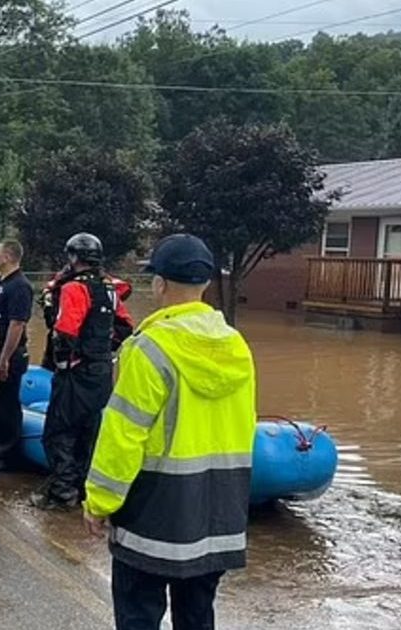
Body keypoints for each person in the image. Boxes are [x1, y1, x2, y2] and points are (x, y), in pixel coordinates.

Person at [83, 234, 256, 630]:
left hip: (154, 516)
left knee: (138, 615)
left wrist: (100, 501)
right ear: (206, 284)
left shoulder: (149, 349)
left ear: (158, 284)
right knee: (197, 618)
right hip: (217, 515)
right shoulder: (237, 347)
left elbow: (123, 435)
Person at [33, 233, 133, 511]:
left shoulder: (74, 288)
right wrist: (102, 349)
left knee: (58, 432)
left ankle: (63, 492)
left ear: (73, 257)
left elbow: (65, 332)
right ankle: (84, 489)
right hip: (102, 372)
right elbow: (125, 327)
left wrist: (66, 361)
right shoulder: (110, 288)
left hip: (76, 372)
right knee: (90, 430)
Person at [0, 240, 34, 469]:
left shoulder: (20, 286)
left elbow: (17, 325)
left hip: (10, 354)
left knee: (7, 404)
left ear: (6, 257)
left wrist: (3, 359)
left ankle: (9, 454)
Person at [39, 264, 133, 369]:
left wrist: (63, 361)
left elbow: (64, 330)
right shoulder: (107, 289)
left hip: (73, 359)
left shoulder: (70, 288)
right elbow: (126, 326)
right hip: (100, 358)